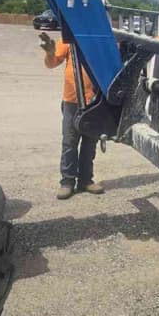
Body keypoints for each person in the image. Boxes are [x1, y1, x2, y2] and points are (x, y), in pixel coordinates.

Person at [40, 32, 105, 199]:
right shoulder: (70, 38)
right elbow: (52, 63)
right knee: (70, 142)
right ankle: (67, 182)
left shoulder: (101, 39)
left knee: (90, 143)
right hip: (72, 101)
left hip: (95, 101)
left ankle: (85, 180)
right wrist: (49, 53)